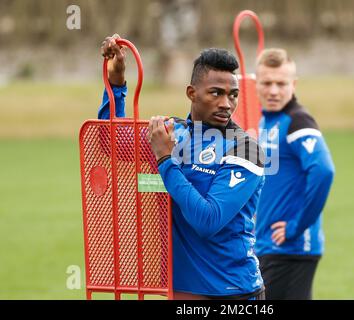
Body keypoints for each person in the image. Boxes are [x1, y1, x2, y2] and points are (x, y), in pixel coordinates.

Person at [98, 35, 265, 300]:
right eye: (216, 93)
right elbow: (111, 141)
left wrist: (165, 161)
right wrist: (116, 83)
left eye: (233, 95)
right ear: (191, 93)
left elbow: (207, 221)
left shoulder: (247, 150)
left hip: (232, 292)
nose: (227, 104)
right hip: (178, 290)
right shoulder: (171, 132)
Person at [254, 48, 335, 300]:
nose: (274, 90)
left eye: (281, 83)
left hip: (290, 248)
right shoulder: (267, 121)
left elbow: (323, 171)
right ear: (256, 84)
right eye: (267, 83)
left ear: (294, 84)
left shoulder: (299, 121)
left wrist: (296, 226)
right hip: (269, 245)